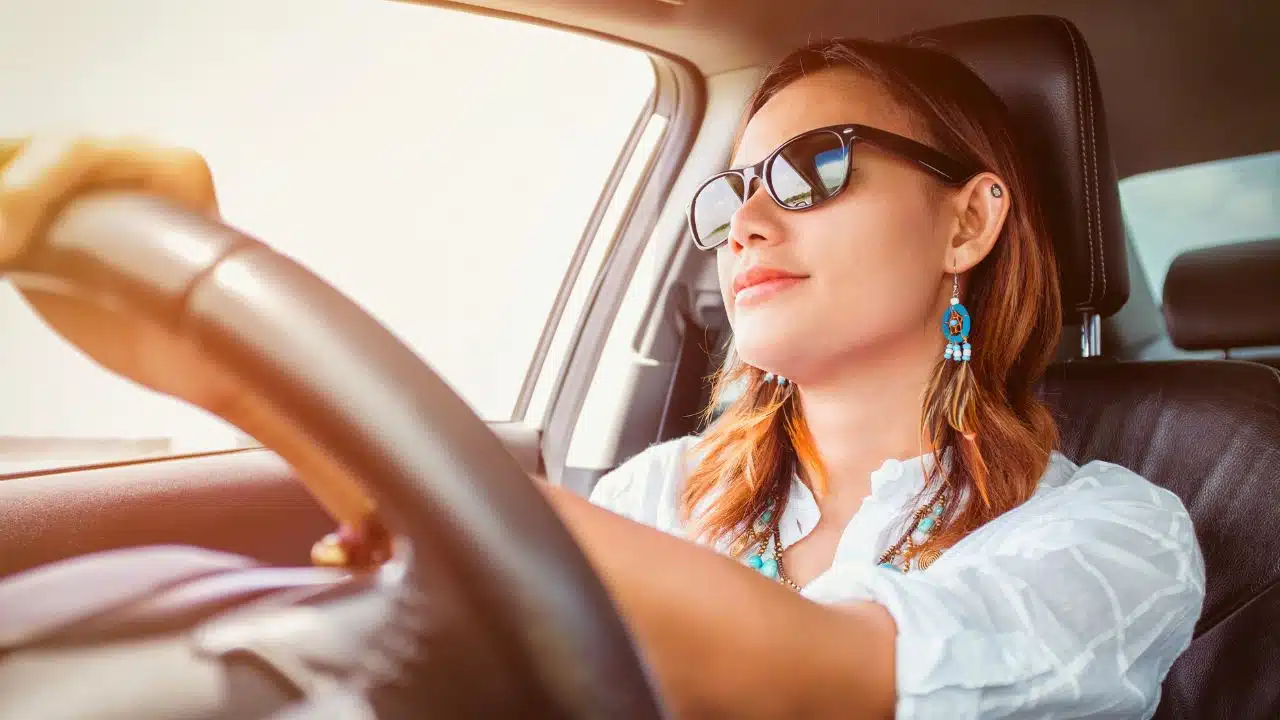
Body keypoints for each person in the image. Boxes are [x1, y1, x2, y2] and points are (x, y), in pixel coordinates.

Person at [0, 38, 1204, 719]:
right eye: (729, 194)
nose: (742, 227)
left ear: (967, 221)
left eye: (809, 170)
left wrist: (240, 374)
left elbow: (820, 679)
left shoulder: (1114, 538)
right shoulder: (662, 487)